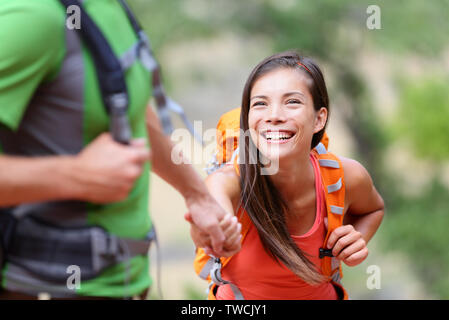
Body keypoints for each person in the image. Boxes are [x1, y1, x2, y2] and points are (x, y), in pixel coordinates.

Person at [0, 0, 239, 299]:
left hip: (124, 282)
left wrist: (197, 196)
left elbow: (130, 109)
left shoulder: (107, 7)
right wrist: (76, 175)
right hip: (44, 286)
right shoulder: (30, 17)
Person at [191, 51, 385, 300]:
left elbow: (373, 209)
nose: (274, 115)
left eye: (292, 102)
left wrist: (357, 239)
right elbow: (208, 216)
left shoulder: (345, 177)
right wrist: (214, 229)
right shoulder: (227, 183)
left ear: (319, 119)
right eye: (260, 103)